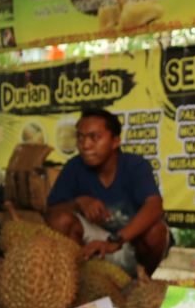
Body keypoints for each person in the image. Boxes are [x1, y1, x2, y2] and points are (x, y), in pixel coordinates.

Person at [46, 107, 168, 276]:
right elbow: (51, 212)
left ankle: (141, 282)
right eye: (80, 137)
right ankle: (81, 279)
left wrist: (116, 240)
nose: (85, 145)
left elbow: (155, 206)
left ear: (115, 142)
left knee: (157, 231)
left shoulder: (135, 165)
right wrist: (78, 202)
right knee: (61, 220)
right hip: (91, 247)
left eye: (94, 137)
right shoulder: (73, 167)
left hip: (128, 243)